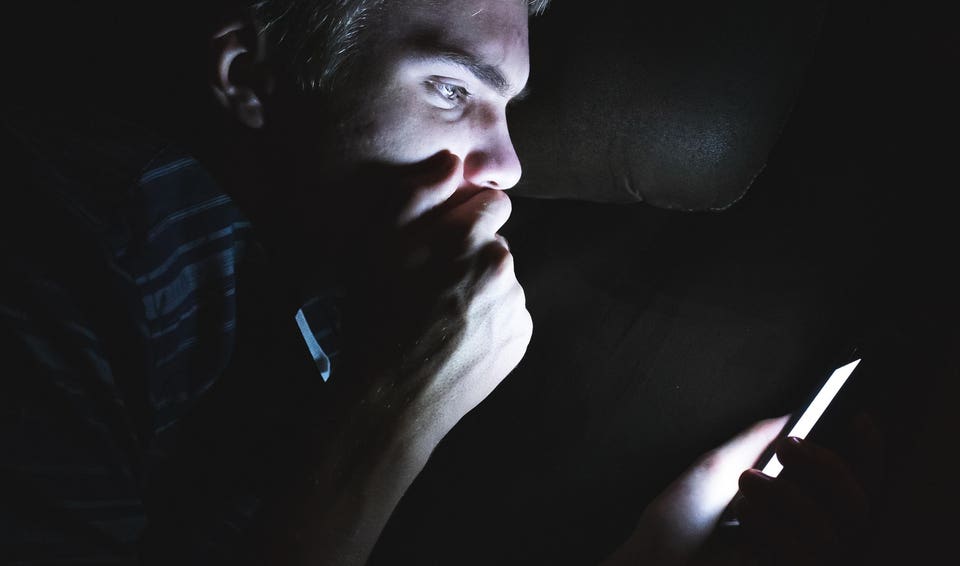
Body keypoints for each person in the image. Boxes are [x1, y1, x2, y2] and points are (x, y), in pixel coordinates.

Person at [0, 1, 878, 564]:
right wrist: (396, 406)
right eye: (453, 90)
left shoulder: (337, 278)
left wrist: (659, 544)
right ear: (249, 76)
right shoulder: (65, 241)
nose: (506, 165)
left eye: (508, 109)